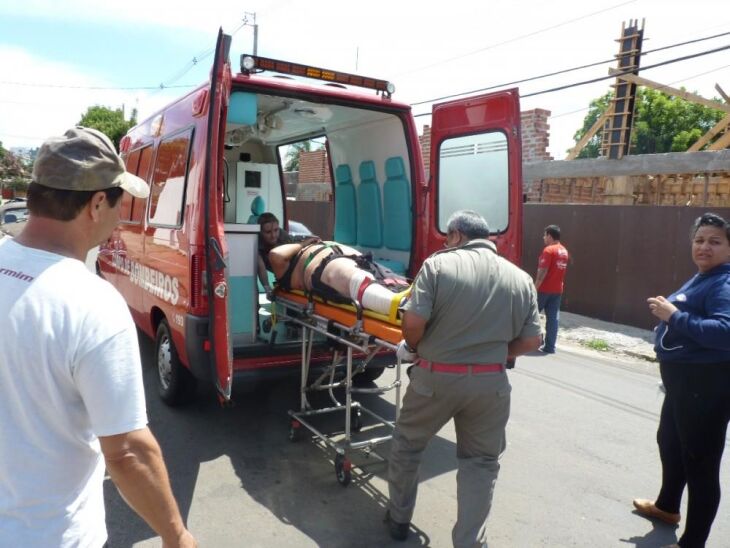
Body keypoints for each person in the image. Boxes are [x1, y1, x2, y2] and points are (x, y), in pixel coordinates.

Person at [0, 127, 196, 547]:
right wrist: (176, 536)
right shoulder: (91, 303)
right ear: (95, 203)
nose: (121, 213)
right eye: (119, 200)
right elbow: (126, 452)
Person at [385, 210, 542, 546]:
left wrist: (414, 348)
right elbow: (533, 341)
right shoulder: (521, 278)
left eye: (447, 238)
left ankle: (398, 518)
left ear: (456, 234)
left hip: (435, 379)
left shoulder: (438, 266)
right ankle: (469, 542)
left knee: (408, 446)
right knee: (481, 465)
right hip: (491, 386)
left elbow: (413, 323)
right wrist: (494, 354)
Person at [633, 212, 730, 548]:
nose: (704, 247)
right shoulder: (704, 276)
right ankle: (667, 507)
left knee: (700, 464)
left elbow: (725, 332)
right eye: (700, 239)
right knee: (670, 444)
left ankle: (693, 542)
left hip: (706, 388)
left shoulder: (724, 283)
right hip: (682, 387)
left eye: (715, 241)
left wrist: (674, 316)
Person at [268, 240, 409, 315]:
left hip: (357, 259)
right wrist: (304, 244)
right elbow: (275, 255)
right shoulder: (284, 270)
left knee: (398, 284)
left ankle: (418, 301)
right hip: (326, 266)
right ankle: (405, 308)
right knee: (359, 281)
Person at [257, 211, 319, 298]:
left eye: (276, 230)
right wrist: (267, 289)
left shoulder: (282, 236)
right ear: (260, 232)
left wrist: (309, 240)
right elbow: (260, 268)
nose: (273, 235)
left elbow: (293, 241)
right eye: (268, 232)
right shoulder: (256, 243)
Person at [534, 224, 569, 354]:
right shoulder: (564, 251)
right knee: (553, 318)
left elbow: (542, 271)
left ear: (549, 235)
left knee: (530, 316)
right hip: (557, 290)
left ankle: (530, 341)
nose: (543, 238)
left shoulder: (548, 250)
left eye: (544, 235)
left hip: (543, 289)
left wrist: (534, 288)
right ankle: (550, 347)